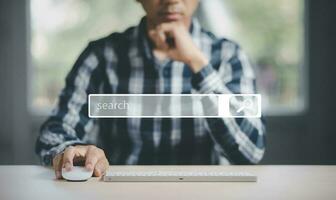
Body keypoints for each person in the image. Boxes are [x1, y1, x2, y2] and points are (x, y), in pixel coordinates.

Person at [36, 0, 266, 179]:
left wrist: (199, 64)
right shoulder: (101, 57)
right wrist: (74, 151)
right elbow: (55, 133)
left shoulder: (228, 56)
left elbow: (250, 152)